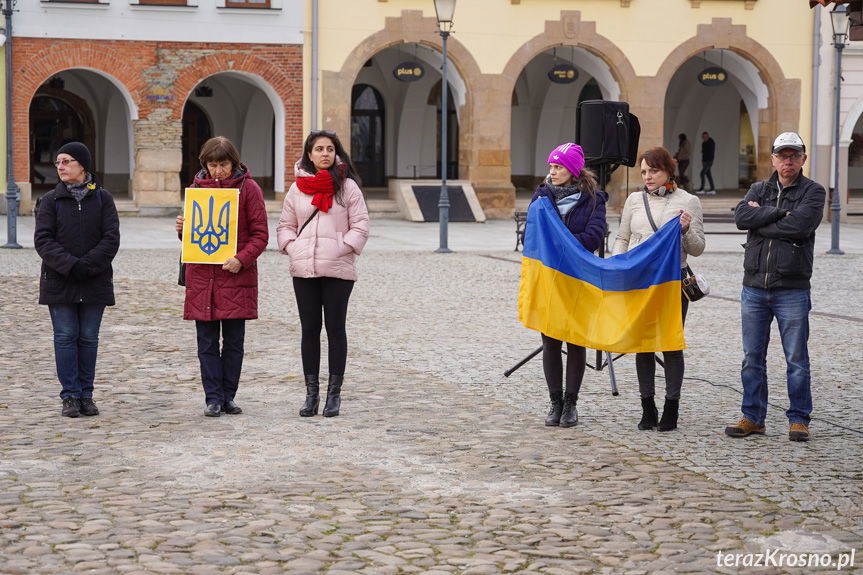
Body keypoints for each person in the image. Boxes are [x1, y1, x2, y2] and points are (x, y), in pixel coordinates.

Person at [725, 132, 825, 442]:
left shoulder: (814, 192)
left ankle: (799, 419)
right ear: (773, 159)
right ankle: (753, 417)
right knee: (751, 358)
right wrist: (780, 213)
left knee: (796, 359)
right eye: (782, 155)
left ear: (803, 159)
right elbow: (742, 217)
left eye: (794, 155)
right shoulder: (758, 188)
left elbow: (801, 225)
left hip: (791, 288)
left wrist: (761, 218)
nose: (788, 161)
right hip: (754, 285)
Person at [277, 130, 369, 418]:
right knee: (309, 330)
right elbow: (285, 226)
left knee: (335, 330)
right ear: (309, 154)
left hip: (338, 269)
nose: (325, 154)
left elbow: (361, 226)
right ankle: (311, 394)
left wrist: (343, 248)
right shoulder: (297, 188)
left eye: (330, 149)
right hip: (303, 268)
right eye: (319, 149)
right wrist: (293, 248)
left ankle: (334, 395)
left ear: (336, 153)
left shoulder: (348, 187)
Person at [612, 146, 705, 431]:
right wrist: (618, 266)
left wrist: (687, 230)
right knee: (644, 344)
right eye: (643, 172)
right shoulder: (634, 200)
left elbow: (698, 249)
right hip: (640, 281)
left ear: (668, 171)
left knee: (670, 344)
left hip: (671, 283)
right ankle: (647, 407)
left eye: (653, 171)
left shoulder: (688, 201)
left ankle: (671, 408)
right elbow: (623, 237)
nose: (648, 177)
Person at [175, 136, 269, 417]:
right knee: (206, 343)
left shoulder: (249, 189)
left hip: (235, 277)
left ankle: (228, 395)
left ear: (234, 162)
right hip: (203, 278)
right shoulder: (196, 189)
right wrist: (183, 229)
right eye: (213, 165)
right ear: (205, 164)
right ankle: (212, 398)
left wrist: (242, 259)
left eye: (223, 164)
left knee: (233, 342)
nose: (218, 171)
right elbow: (195, 236)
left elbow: (260, 234)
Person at [34, 142, 120, 418]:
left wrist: (89, 265)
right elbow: (43, 240)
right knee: (65, 336)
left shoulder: (103, 199)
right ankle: (70, 395)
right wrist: (71, 266)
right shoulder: (49, 201)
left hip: (94, 279)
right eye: (58, 162)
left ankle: (86, 394)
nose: (60, 166)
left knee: (88, 338)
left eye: (66, 161)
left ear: (82, 165)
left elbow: (111, 238)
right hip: (61, 280)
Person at [529, 143, 608, 428]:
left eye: (559, 166)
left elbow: (594, 235)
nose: (553, 171)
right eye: (551, 166)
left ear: (573, 171)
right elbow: (534, 231)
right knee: (550, 341)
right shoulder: (542, 197)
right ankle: (555, 402)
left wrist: (561, 242)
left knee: (575, 340)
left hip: (578, 278)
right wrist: (562, 242)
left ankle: (571, 404)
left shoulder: (594, 199)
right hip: (549, 278)